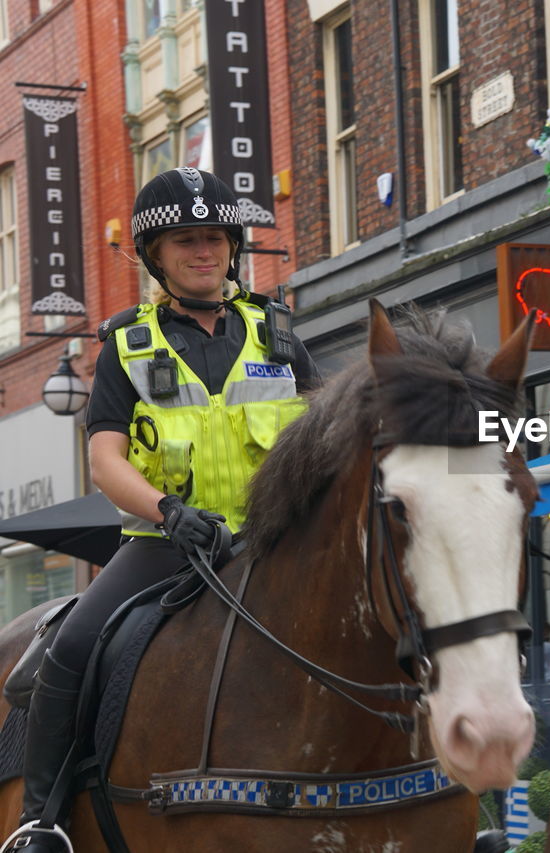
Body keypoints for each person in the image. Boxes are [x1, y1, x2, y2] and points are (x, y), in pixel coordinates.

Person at [4, 167, 319, 853]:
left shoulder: (280, 337)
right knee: (68, 648)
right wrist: (170, 511)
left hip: (271, 542)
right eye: (184, 240)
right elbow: (107, 459)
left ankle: (450, 801)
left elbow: (326, 435)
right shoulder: (125, 344)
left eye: (213, 237)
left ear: (233, 245)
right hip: (165, 544)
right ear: (157, 254)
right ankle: (41, 820)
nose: (202, 250)